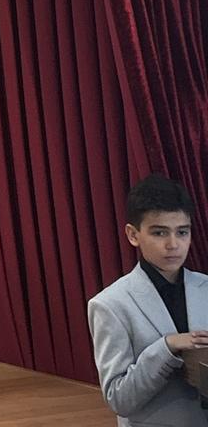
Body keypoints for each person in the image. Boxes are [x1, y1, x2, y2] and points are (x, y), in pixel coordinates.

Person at [88, 173, 208, 426]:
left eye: (182, 232)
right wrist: (165, 348)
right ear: (133, 235)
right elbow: (119, 399)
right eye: (159, 233)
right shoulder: (110, 304)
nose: (173, 244)